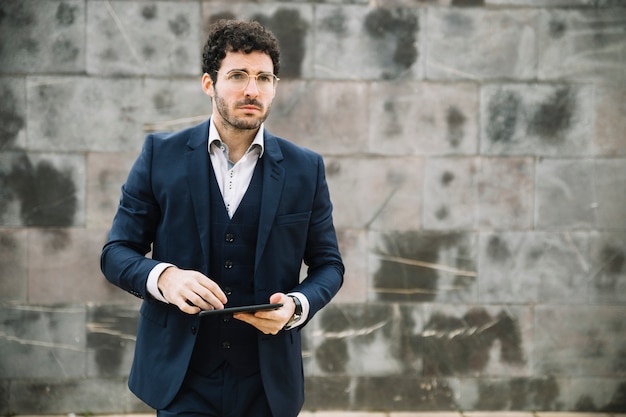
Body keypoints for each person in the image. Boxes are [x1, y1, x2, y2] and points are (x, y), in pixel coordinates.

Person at [100, 19, 344, 417]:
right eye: (238, 76)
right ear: (208, 83)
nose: (252, 89)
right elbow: (115, 253)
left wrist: (296, 307)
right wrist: (165, 277)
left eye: (264, 78)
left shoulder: (306, 168)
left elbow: (329, 265)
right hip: (182, 379)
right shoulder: (160, 156)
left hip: (266, 383)